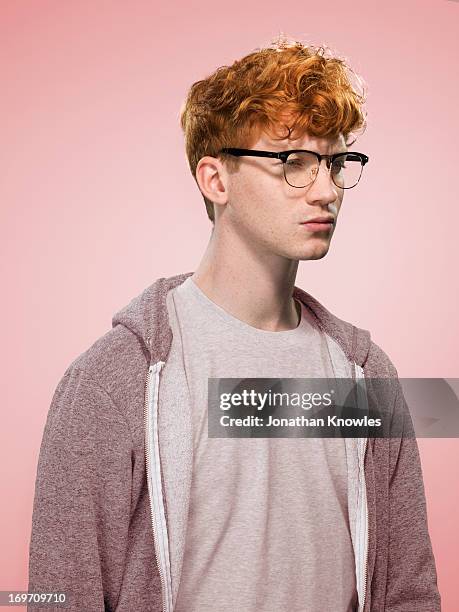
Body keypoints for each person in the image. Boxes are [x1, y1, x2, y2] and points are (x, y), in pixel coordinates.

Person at [28, 36, 441, 611]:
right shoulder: (115, 379)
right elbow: (62, 597)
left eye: (336, 162)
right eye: (292, 162)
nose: (325, 190)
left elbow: (409, 592)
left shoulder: (364, 377)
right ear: (215, 180)